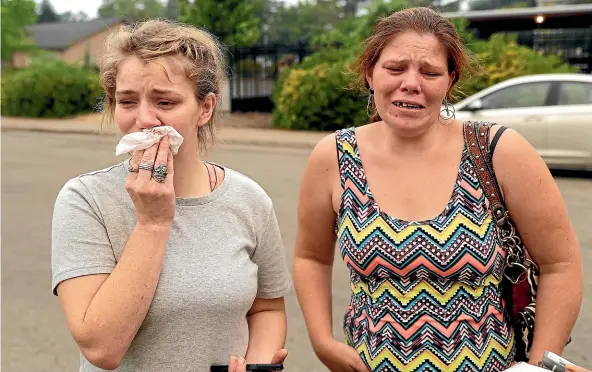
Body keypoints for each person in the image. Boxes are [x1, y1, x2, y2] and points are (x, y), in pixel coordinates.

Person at [293, 7, 583, 372]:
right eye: (395, 68)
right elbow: (311, 257)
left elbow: (560, 264)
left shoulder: (498, 151)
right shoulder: (334, 156)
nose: (411, 83)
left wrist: (538, 366)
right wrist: (322, 341)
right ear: (370, 73)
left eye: (429, 72)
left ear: (449, 80)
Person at [51, 20, 291, 372]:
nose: (145, 119)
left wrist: (257, 364)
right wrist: (152, 222)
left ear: (205, 108)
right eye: (127, 101)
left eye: (165, 101)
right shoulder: (86, 200)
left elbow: (267, 308)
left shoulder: (248, 199)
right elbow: (102, 349)